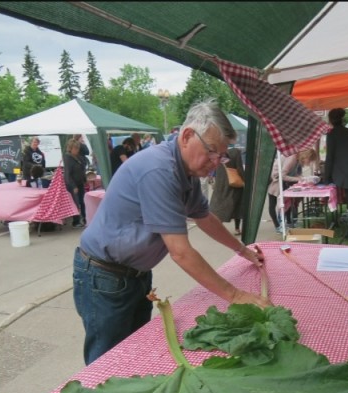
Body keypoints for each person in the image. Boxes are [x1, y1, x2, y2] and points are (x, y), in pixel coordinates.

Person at [73, 99, 270, 365]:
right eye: (211, 152)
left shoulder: (187, 173)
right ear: (187, 135)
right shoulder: (159, 169)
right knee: (106, 361)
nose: (215, 163)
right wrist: (235, 296)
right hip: (104, 276)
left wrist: (242, 250)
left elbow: (205, 218)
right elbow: (181, 252)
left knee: (132, 352)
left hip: (134, 276)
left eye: (220, 156)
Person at [208, 147, 246, 235]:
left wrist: (212, 179)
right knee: (237, 206)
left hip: (220, 182)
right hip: (234, 183)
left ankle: (217, 227)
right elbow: (239, 168)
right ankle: (237, 228)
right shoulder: (235, 152)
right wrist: (245, 180)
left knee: (220, 205)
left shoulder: (218, 150)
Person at [63, 137, 87, 227]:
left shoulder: (78, 157)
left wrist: (84, 179)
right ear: (70, 148)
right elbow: (68, 174)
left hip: (80, 182)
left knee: (82, 201)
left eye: (78, 148)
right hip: (73, 184)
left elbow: (82, 169)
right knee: (75, 202)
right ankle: (75, 221)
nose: (77, 150)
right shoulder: (68, 158)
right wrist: (73, 186)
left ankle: (85, 218)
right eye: (75, 148)